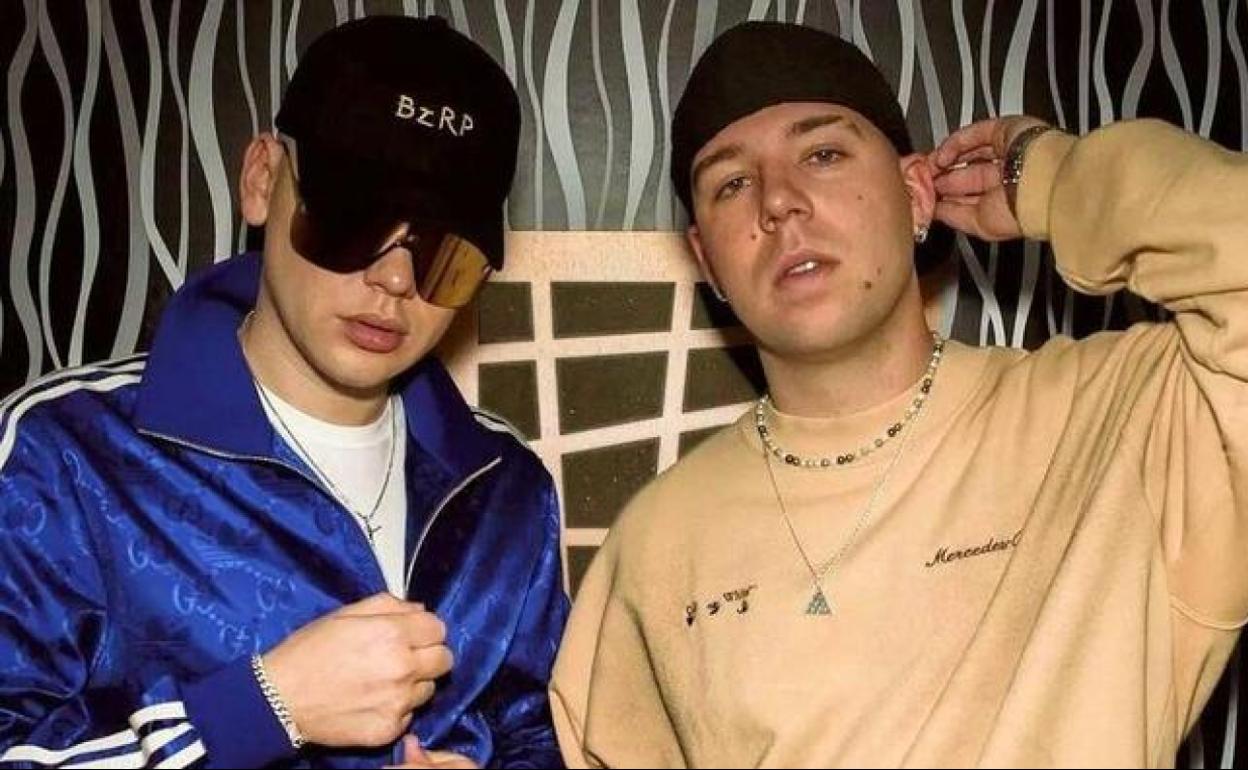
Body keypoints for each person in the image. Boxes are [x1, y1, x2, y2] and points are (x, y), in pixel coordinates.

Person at [550, 19, 1248, 768]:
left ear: (916, 193)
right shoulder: (655, 543)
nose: (777, 201)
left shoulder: (1131, 415)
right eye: (732, 184)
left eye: (822, 154)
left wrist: (1052, 178)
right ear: (707, 260)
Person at [0, 15, 567, 769]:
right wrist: (263, 709)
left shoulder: (505, 484)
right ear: (263, 179)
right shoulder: (66, 454)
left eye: (445, 253)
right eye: (354, 219)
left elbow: (537, 732)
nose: (395, 279)